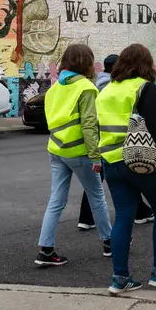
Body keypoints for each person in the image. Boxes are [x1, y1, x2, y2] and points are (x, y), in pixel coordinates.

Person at [97, 44, 156, 294]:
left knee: (124, 217)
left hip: (111, 163)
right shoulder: (144, 88)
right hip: (141, 160)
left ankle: (120, 278)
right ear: (146, 64)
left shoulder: (106, 90)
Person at [34, 44, 112, 267]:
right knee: (96, 196)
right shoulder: (86, 88)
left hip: (56, 149)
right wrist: (95, 156)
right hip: (80, 152)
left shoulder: (54, 88)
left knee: (56, 200)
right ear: (86, 63)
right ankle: (109, 243)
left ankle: (46, 250)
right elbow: (89, 124)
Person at [78, 54, 154, 231]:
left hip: (99, 139)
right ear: (114, 67)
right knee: (129, 178)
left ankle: (86, 218)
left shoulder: (95, 84)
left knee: (96, 183)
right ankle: (140, 213)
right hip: (115, 142)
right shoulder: (112, 87)